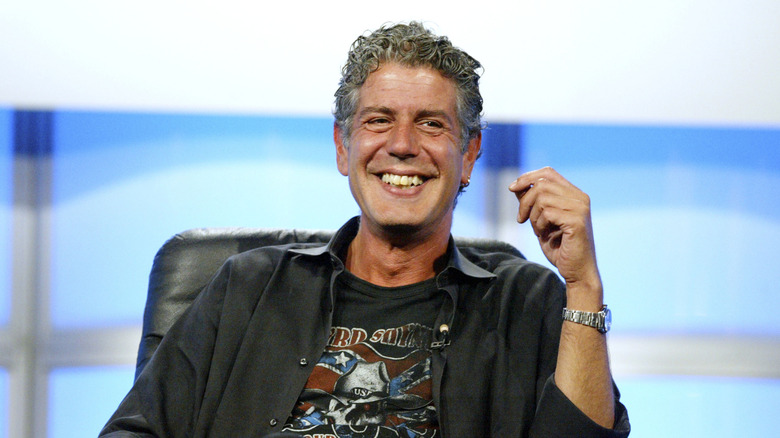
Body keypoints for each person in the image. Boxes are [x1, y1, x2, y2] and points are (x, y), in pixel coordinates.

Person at [100, 22, 630, 437]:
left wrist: (582, 286)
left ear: (469, 155)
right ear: (342, 146)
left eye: (431, 123)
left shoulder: (525, 301)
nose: (402, 144)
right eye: (378, 120)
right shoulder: (247, 286)